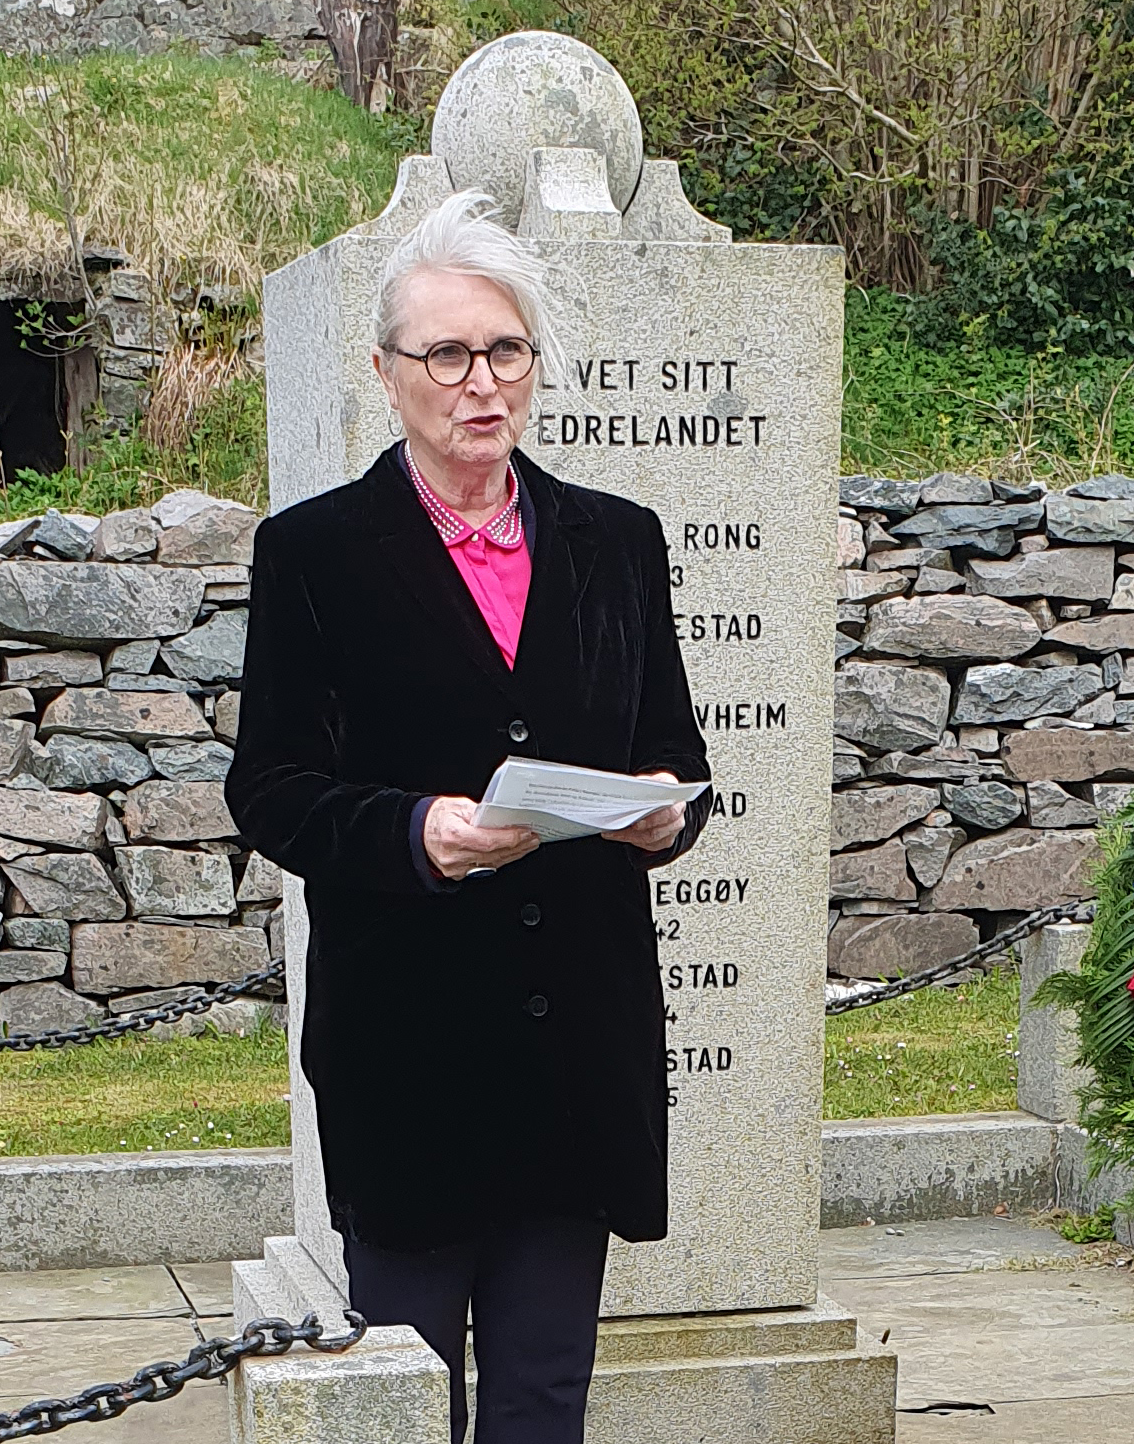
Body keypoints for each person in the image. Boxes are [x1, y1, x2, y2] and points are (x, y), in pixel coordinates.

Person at [225, 190, 712, 1444]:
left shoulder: (620, 542)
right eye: (448, 353)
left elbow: (672, 753)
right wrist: (414, 832)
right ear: (388, 373)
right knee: (408, 1397)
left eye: (505, 350)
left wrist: (662, 816)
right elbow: (269, 787)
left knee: (548, 1397)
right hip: (412, 1056)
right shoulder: (316, 555)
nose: (480, 382)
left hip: (577, 1050)